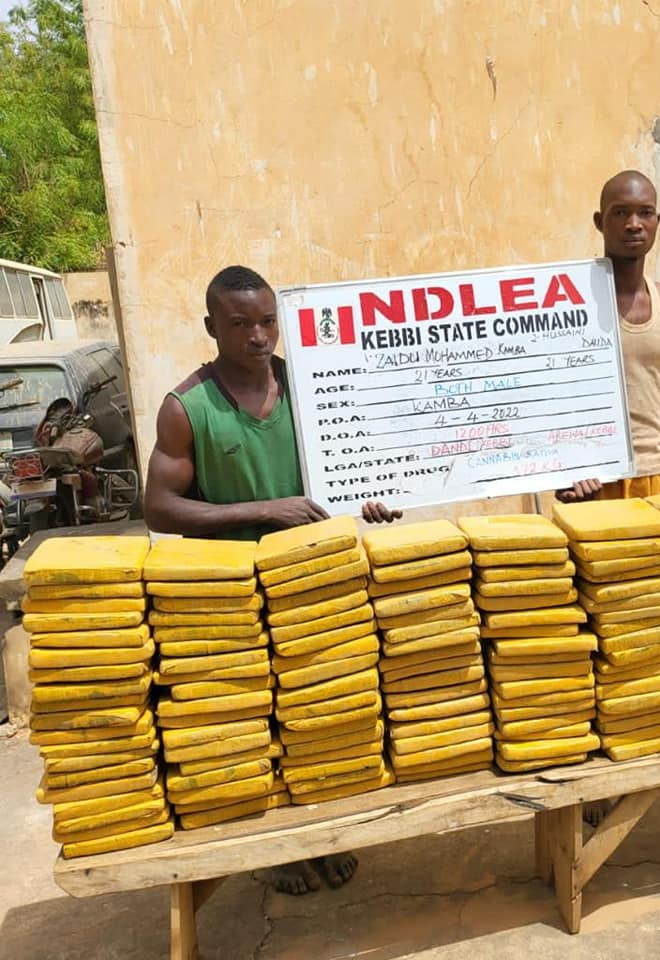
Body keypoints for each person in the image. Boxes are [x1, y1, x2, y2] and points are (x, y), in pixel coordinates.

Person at [144, 265, 401, 894]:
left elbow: (354, 462)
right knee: (245, 720)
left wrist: (372, 496)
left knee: (320, 708)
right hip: (230, 596)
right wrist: (263, 510)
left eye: (267, 322)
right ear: (212, 327)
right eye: (240, 324)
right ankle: (269, 850)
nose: (258, 337)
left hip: (313, 584)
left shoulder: (311, 385)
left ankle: (321, 832)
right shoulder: (188, 407)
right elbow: (159, 507)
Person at [557, 171, 660, 810]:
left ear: (657, 222)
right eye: (620, 212)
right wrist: (566, 472)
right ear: (600, 222)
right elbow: (545, 406)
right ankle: (599, 770)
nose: (633, 223)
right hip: (600, 489)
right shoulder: (565, 304)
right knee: (600, 625)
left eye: (644, 212)